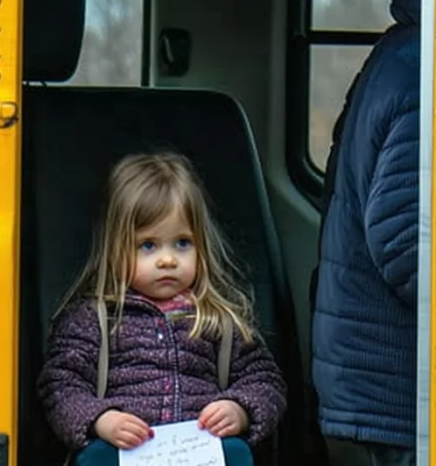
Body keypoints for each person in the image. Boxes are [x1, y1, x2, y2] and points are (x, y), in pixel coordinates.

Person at [37, 151, 287, 466]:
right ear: (115, 249)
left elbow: (265, 380)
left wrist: (240, 409)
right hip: (124, 450)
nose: (167, 260)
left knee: (236, 453)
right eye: (148, 245)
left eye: (182, 243)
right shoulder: (95, 319)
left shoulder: (217, 318)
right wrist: (101, 420)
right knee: (94, 458)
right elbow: (61, 385)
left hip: (197, 450)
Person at [310, 0, 421, 466]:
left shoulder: (405, 56)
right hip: (399, 379)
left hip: (379, 372)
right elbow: (408, 240)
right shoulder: (425, 71)